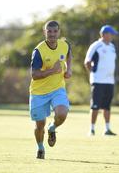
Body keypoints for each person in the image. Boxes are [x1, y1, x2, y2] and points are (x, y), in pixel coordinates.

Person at [29, 20, 72, 159]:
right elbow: (34, 75)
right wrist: (52, 71)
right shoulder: (39, 51)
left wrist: (69, 69)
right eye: (49, 31)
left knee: (62, 113)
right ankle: (40, 148)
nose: (52, 34)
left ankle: (52, 128)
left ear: (59, 32)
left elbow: (69, 52)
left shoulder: (64, 45)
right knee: (40, 125)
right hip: (38, 92)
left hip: (57, 88)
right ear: (45, 32)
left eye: (55, 31)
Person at [84, 25, 118, 136]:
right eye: (110, 34)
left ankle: (107, 129)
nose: (112, 36)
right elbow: (87, 62)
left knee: (107, 106)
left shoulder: (112, 47)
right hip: (98, 81)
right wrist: (93, 74)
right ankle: (92, 129)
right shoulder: (96, 46)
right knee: (95, 106)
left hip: (110, 81)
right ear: (104, 34)